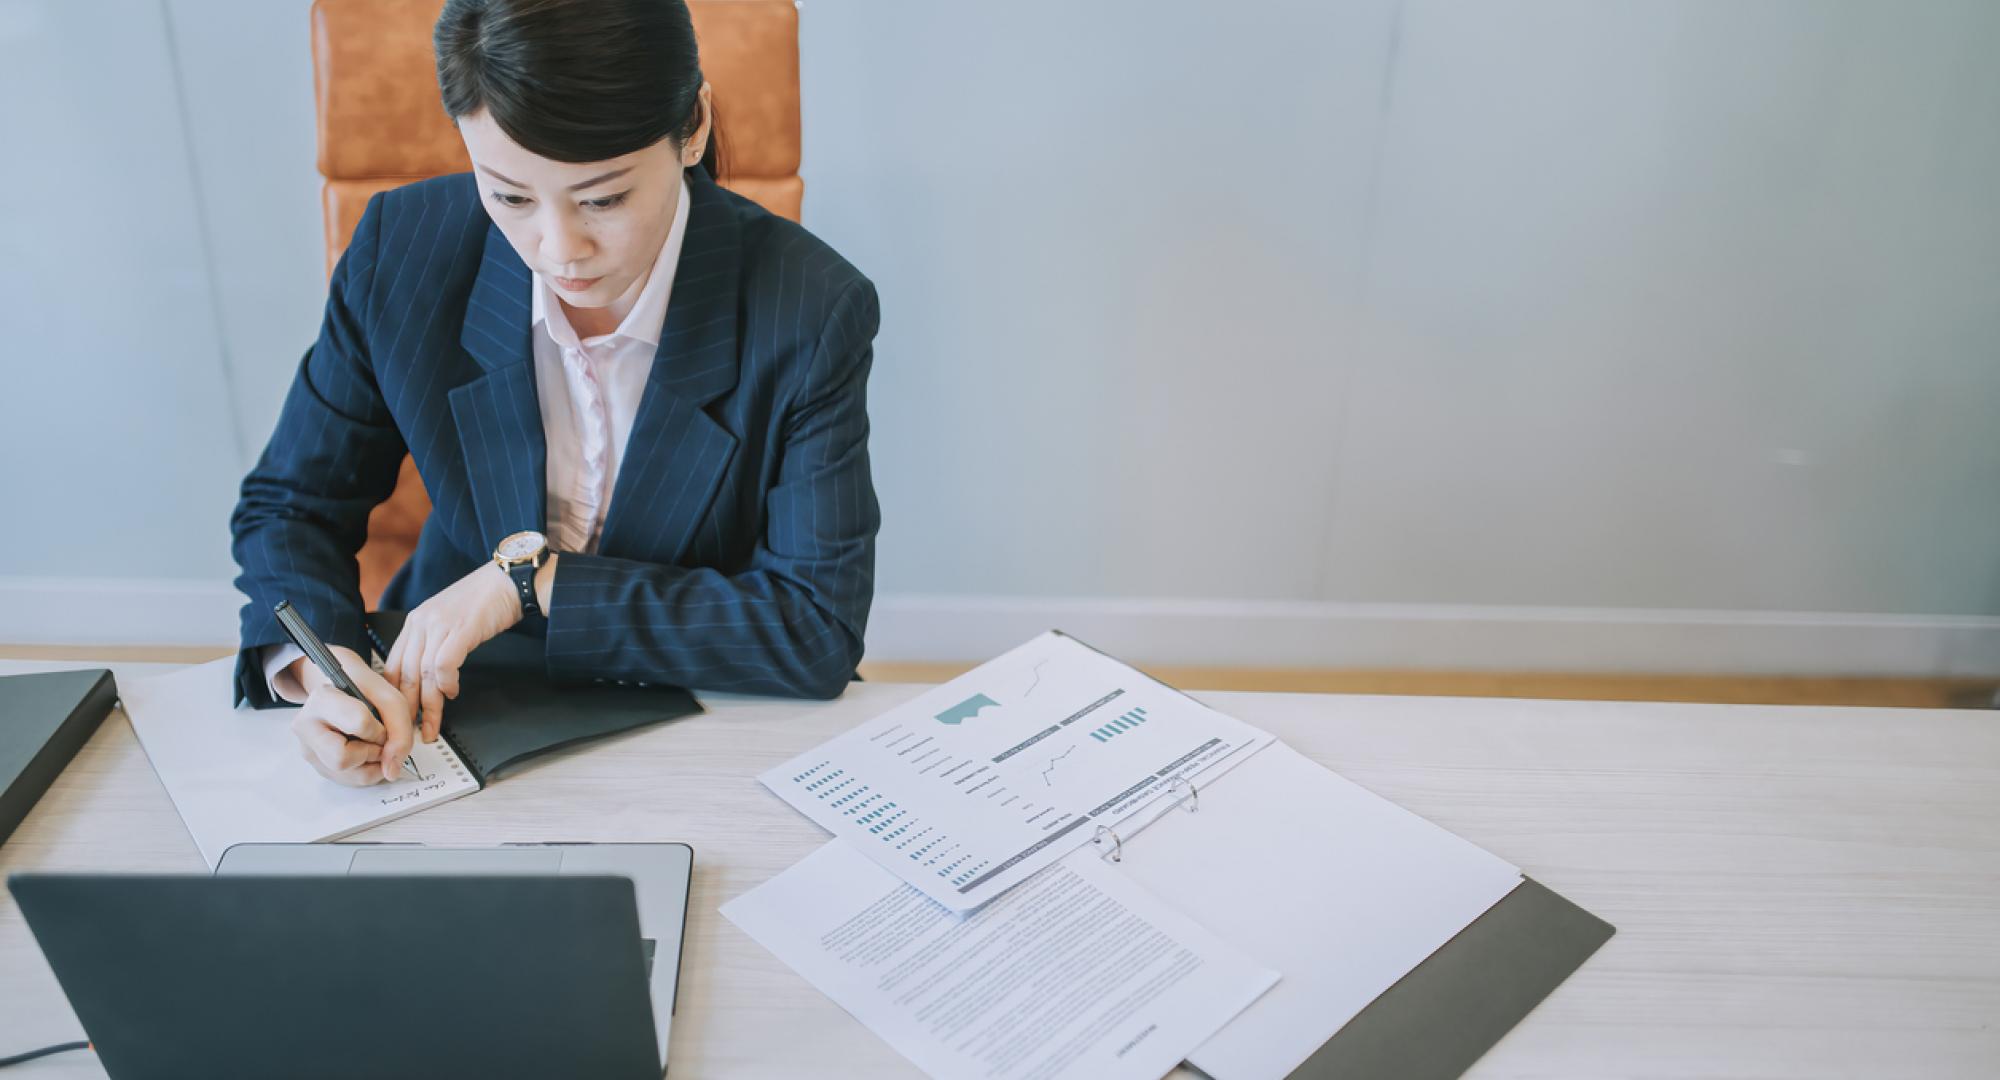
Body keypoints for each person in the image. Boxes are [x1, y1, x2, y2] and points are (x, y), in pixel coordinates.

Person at [229, 0, 880, 786]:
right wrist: (319, 672)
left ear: (695, 127)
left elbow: (814, 631)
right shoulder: (400, 250)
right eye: (509, 197)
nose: (559, 249)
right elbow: (291, 505)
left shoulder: (811, 308)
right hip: (451, 702)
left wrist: (531, 586)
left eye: (603, 199)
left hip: (699, 703)